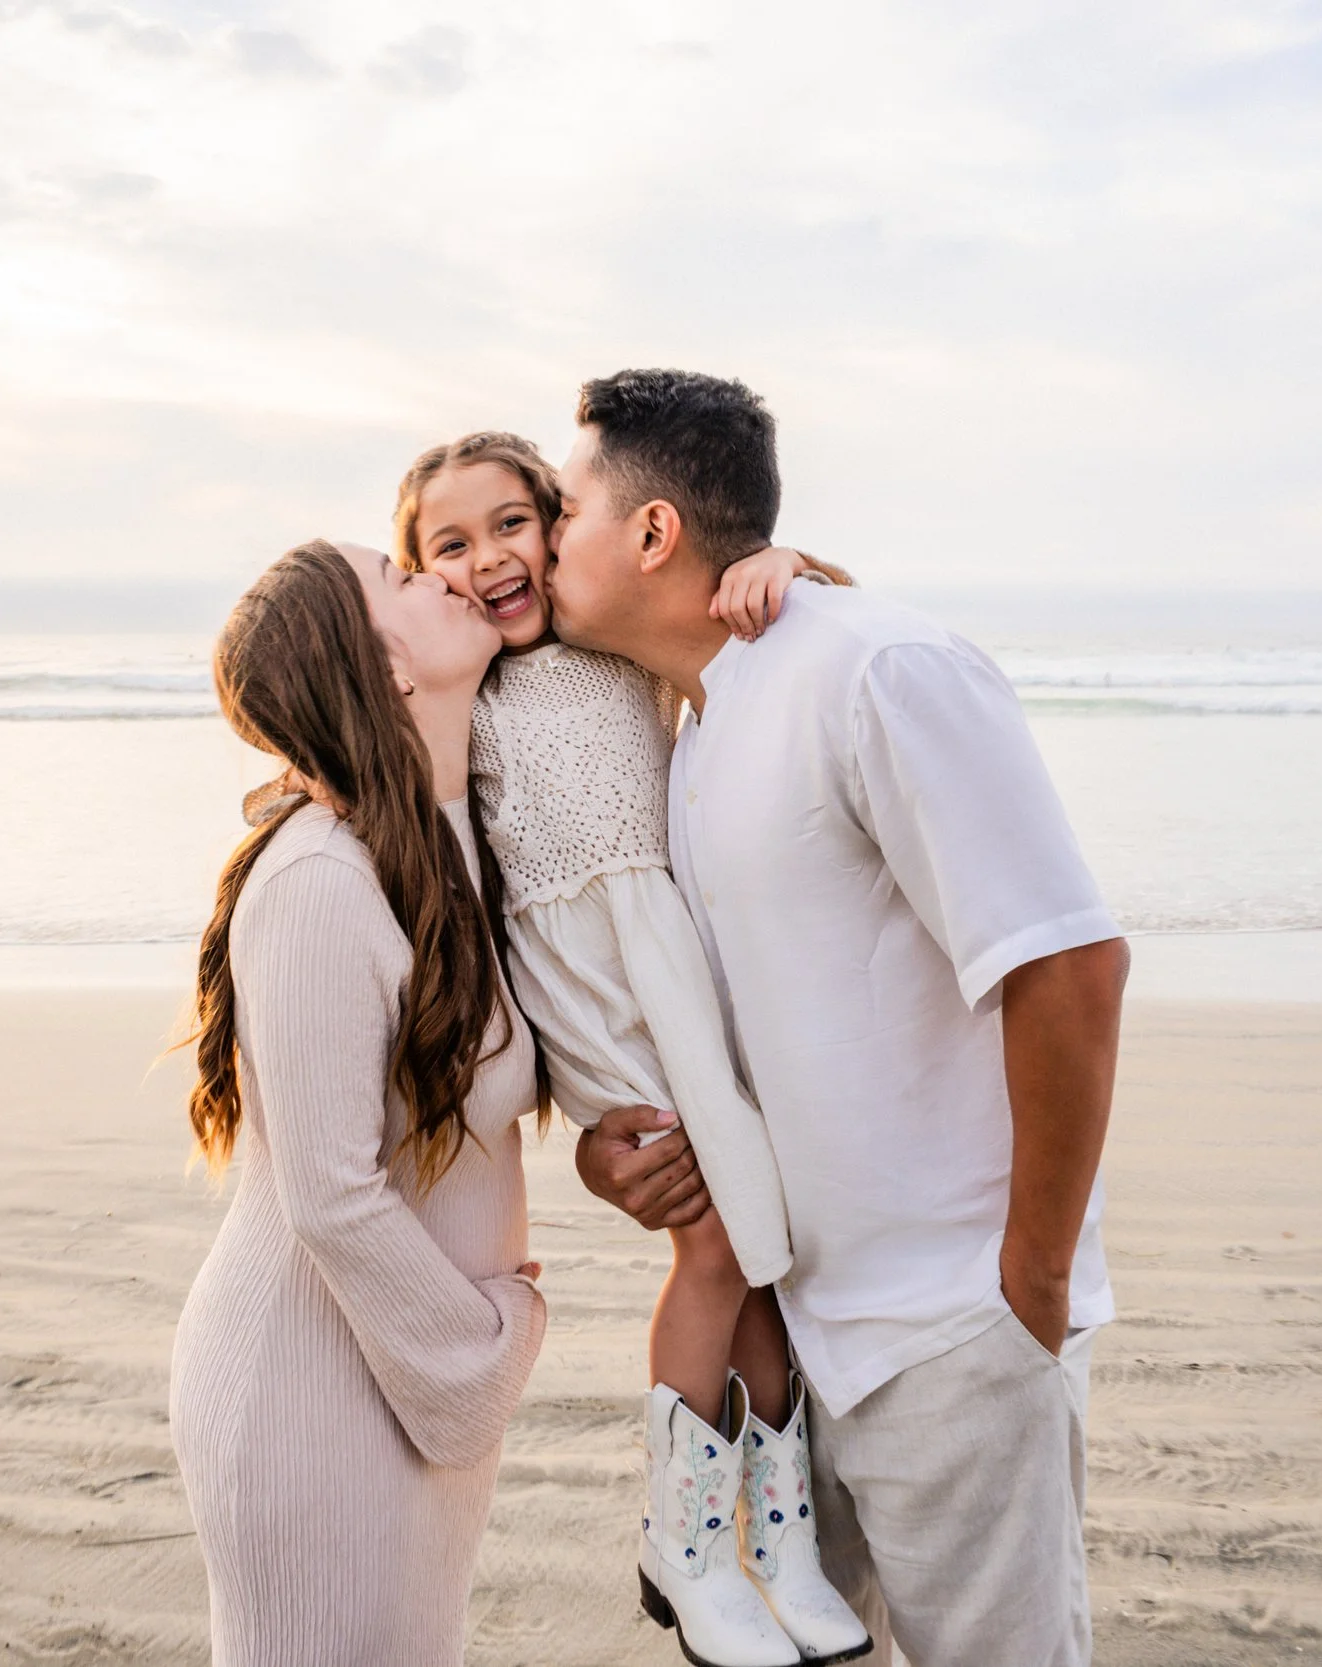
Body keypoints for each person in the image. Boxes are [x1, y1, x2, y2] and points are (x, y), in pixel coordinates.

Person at [549, 370, 1130, 1667]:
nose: (539, 534)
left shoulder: (876, 667)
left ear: (653, 532)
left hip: (948, 1328)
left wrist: (1025, 1283)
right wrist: (618, 1149)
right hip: (795, 1350)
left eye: (563, 503)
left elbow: (1069, 965)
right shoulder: (694, 725)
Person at [392, 431, 871, 1667]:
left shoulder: (610, 639)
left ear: (562, 527)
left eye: (514, 522)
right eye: (452, 543)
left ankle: (779, 1535)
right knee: (712, 1241)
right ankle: (687, 1541)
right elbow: (416, 822)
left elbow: (751, 603)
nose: (490, 557)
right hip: (596, 993)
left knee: (754, 1251)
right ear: (420, 573)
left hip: (684, 972)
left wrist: (781, 561)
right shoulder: (464, 688)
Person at [168, 538, 548, 1667]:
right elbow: (330, 1192)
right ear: (383, 667)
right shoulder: (319, 880)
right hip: (321, 1390)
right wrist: (475, 1360)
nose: (441, 574)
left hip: (399, 1378)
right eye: (401, 576)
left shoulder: (443, 838)